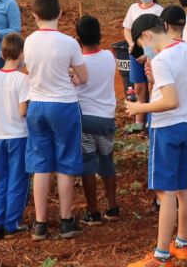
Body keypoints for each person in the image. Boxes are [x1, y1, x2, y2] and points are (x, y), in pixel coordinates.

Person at [125, 14, 187, 267]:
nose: (145, 50)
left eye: (141, 43)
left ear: (147, 35)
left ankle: (161, 256)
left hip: (167, 128)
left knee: (165, 192)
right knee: (183, 188)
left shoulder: (163, 59)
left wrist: (140, 108)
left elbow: (170, 101)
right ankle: (181, 244)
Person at [24, 0, 88, 241]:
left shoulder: (28, 41)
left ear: (35, 15)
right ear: (60, 13)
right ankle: (65, 221)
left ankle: (40, 224)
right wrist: (71, 74)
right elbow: (83, 77)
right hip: (63, 105)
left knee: (41, 164)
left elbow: (29, 70)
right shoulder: (69, 43)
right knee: (65, 163)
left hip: (37, 103)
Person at [0, 33, 30, 240]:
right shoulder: (22, 79)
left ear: (2, 53)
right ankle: (12, 223)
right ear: (21, 55)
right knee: (18, 180)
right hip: (19, 134)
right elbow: (22, 111)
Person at [73, 16, 120, 227]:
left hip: (86, 119)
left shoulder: (78, 64)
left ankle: (93, 213)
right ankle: (112, 207)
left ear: (78, 39)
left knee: (88, 166)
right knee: (107, 162)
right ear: (100, 35)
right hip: (107, 118)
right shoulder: (110, 57)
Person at [122, 0, 163, 133]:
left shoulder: (159, 10)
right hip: (135, 51)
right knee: (139, 86)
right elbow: (127, 29)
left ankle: (151, 119)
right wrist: (132, 43)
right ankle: (140, 119)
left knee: (152, 85)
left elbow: (161, 35)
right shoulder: (133, 8)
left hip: (152, 53)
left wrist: (148, 54)